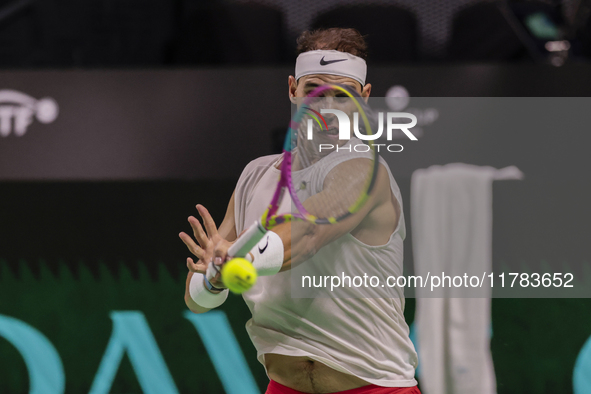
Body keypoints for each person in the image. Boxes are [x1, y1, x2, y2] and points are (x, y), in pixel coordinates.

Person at [179, 28, 420, 394]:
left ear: (364, 98)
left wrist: (239, 258)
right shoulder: (255, 175)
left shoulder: (366, 172)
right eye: (314, 92)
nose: (327, 109)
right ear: (292, 89)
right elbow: (197, 300)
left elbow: (308, 233)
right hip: (284, 387)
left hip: (375, 388)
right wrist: (214, 276)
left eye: (343, 96)